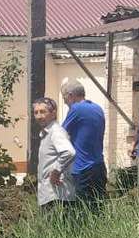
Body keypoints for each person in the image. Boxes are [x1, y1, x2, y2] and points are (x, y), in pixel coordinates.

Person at [60, 79, 107, 210]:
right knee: (98, 208)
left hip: (83, 169)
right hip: (99, 167)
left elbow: (61, 134)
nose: (64, 102)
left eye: (64, 97)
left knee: (81, 211)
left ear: (70, 95)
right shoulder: (97, 108)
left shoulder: (76, 109)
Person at [33, 97, 75, 213]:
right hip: (50, 195)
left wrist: (56, 172)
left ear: (53, 113)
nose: (39, 116)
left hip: (57, 196)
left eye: (43, 112)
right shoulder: (47, 133)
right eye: (36, 112)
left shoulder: (56, 131)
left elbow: (69, 152)